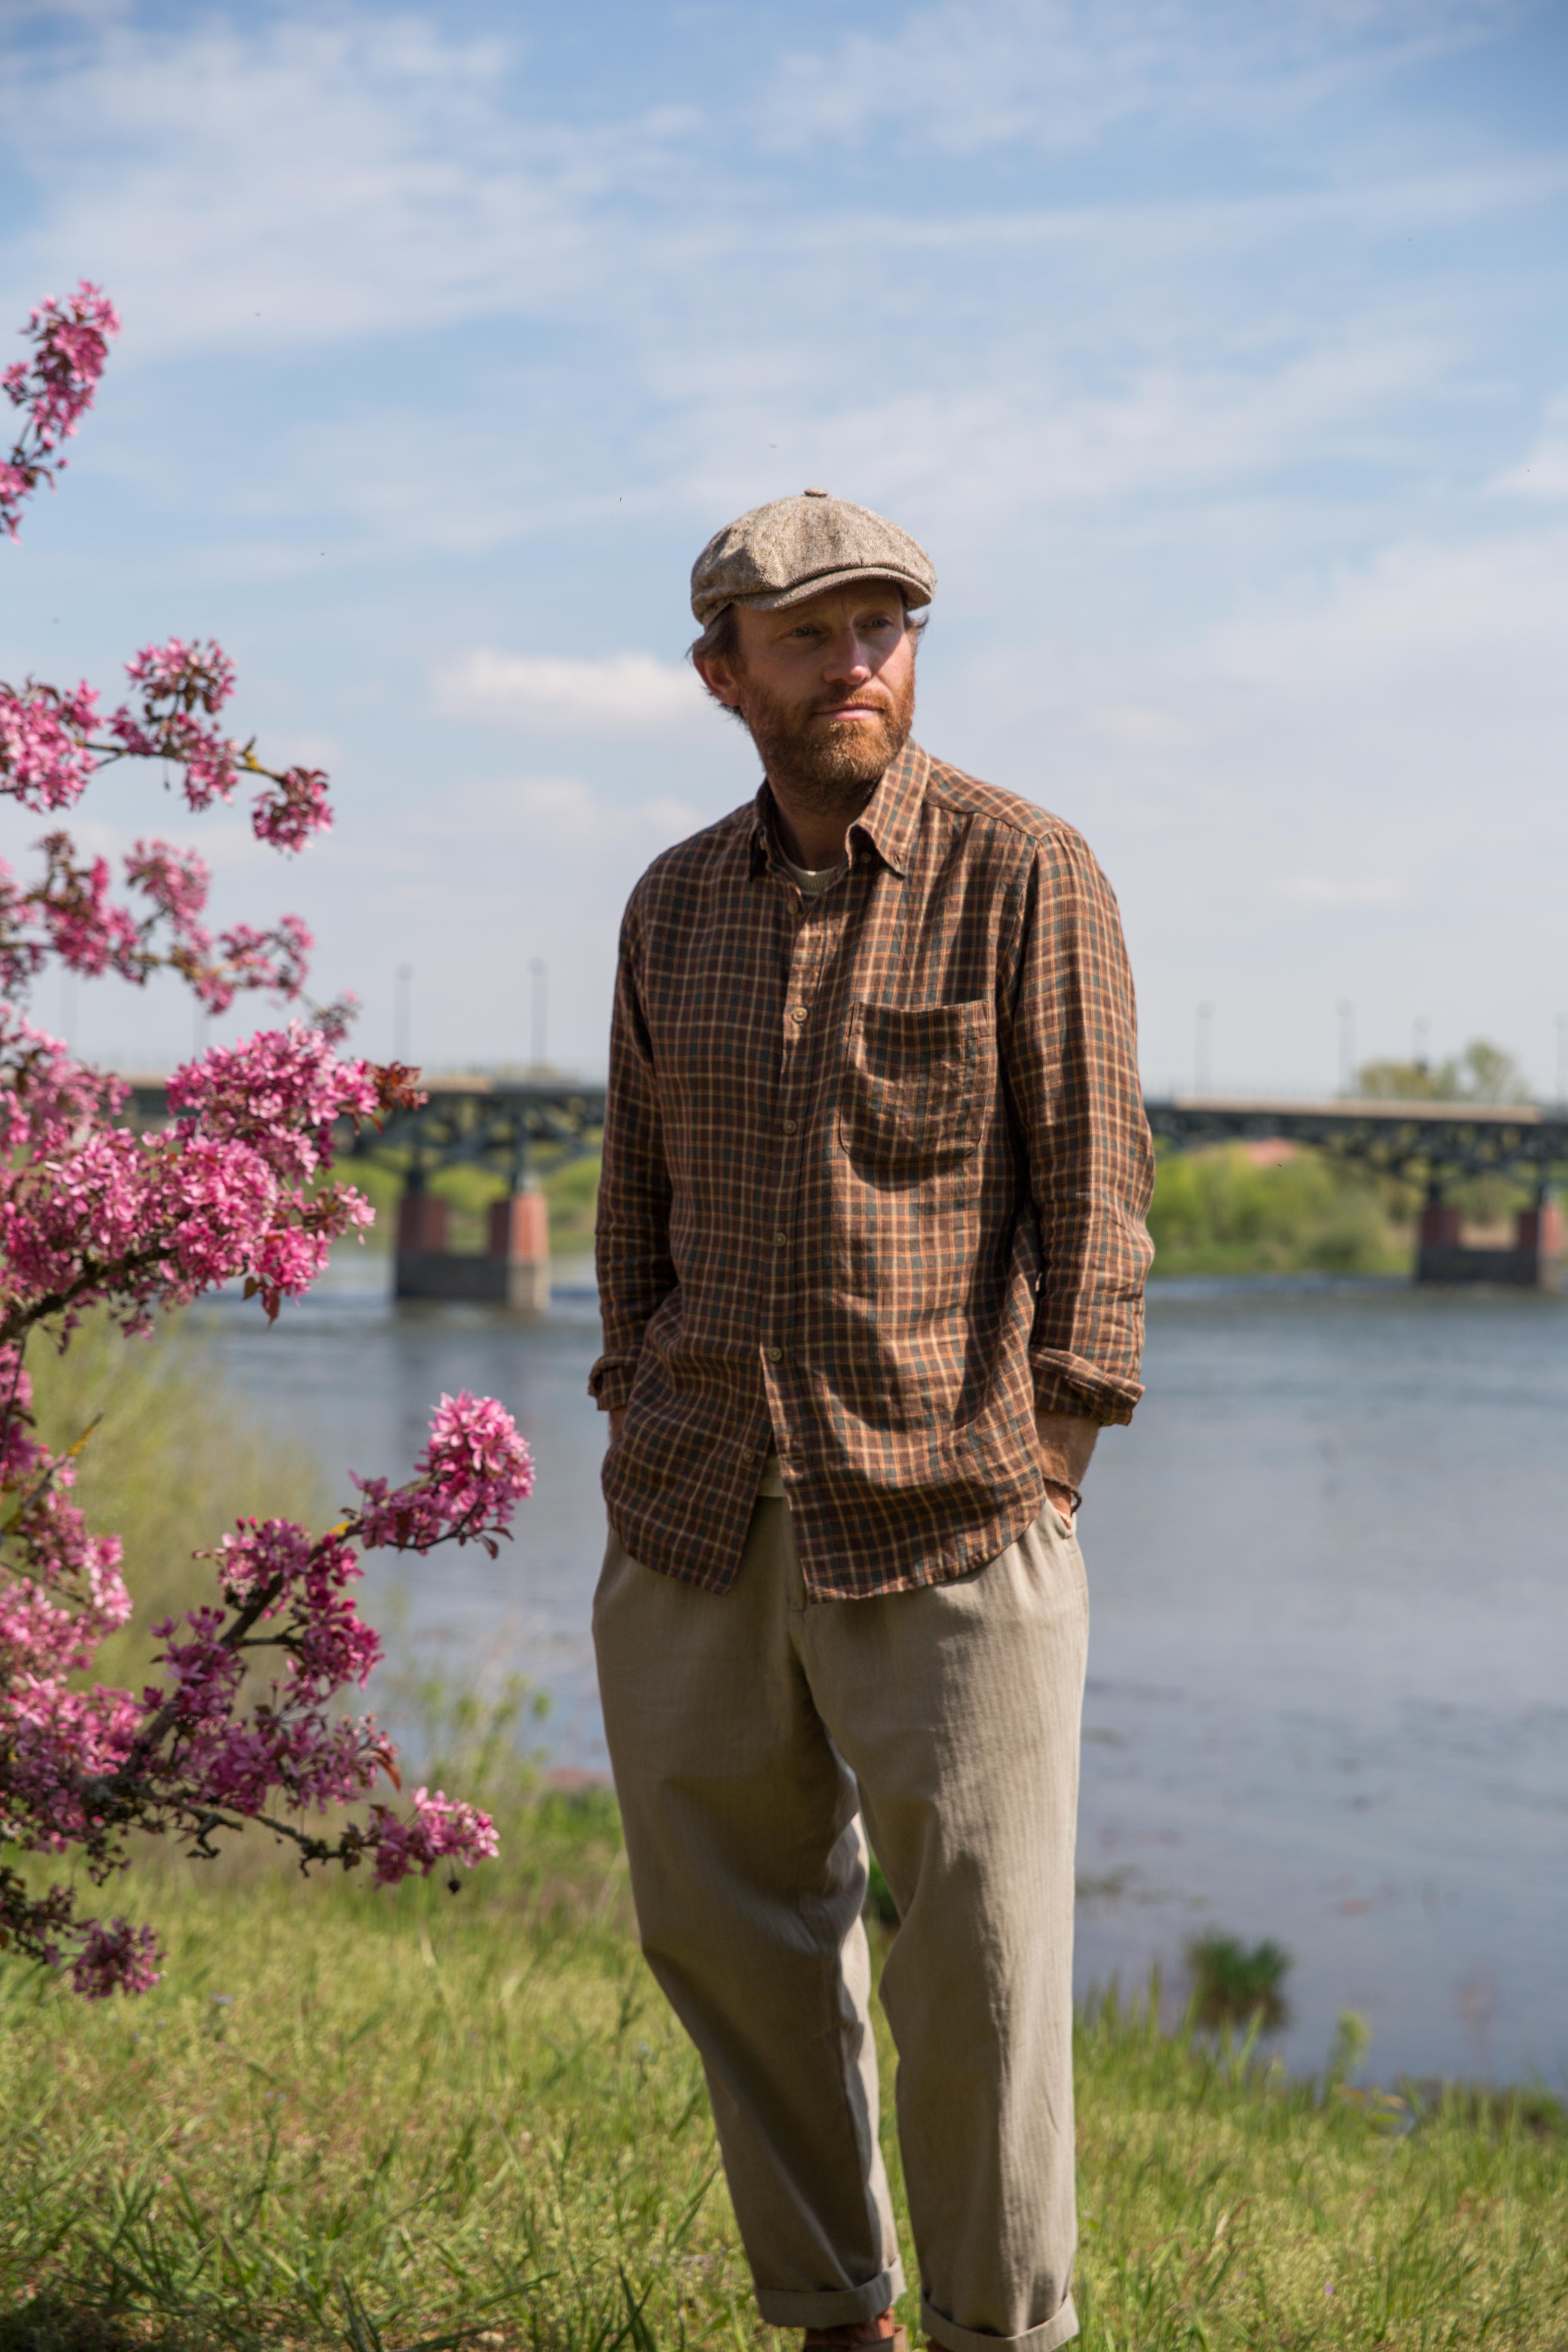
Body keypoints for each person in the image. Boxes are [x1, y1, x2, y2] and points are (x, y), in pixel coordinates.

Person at [590, 489, 1153, 2352]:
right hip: (696, 1510)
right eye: (812, 632)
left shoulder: (1029, 872)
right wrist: (630, 1399)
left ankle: (1005, 2340)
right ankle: (832, 2318)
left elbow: (1099, 1194)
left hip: (952, 1513)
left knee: (981, 1976)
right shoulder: (672, 904)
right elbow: (632, 1205)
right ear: (721, 672)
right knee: (729, 1944)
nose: (855, 661)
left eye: (885, 626)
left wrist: (1053, 1451)